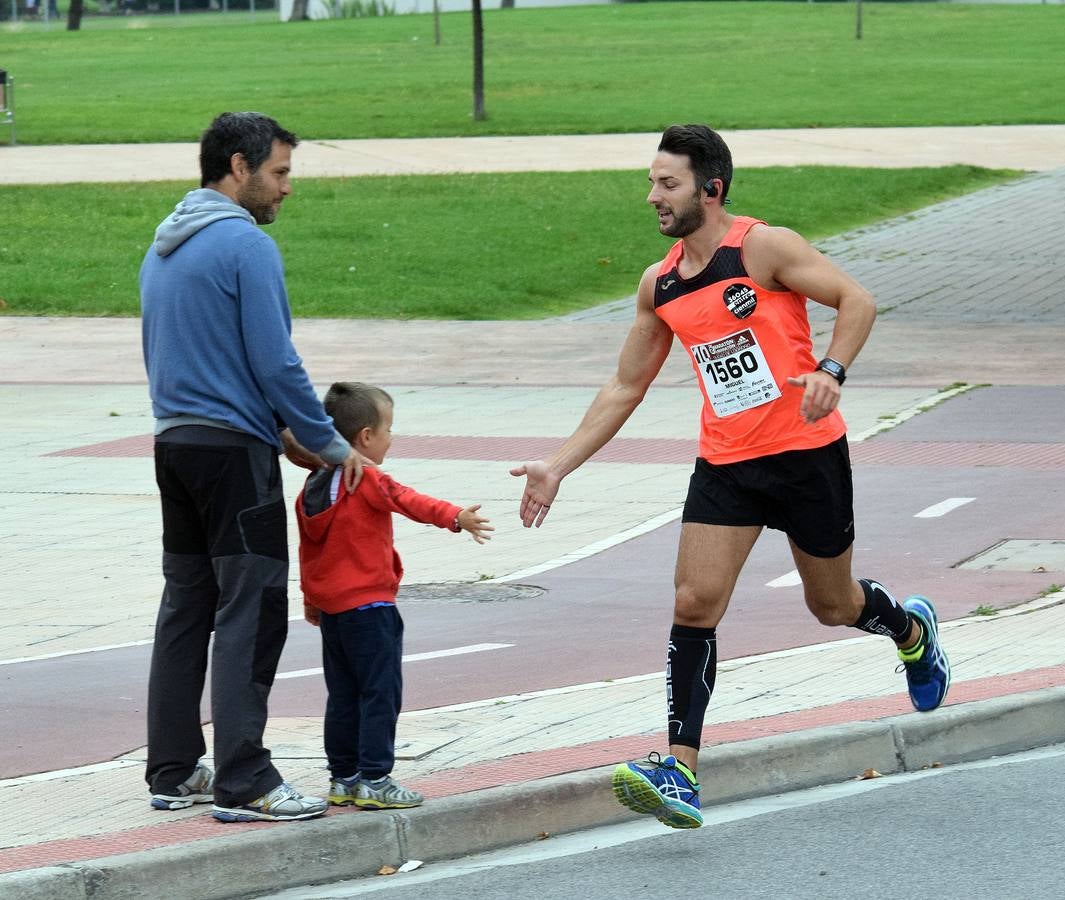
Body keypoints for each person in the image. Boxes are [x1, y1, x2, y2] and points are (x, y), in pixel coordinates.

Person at [511, 124, 950, 830]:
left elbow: (856, 301)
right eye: (652, 181)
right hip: (726, 464)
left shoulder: (763, 247)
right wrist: (557, 465)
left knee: (832, 606)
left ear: (709, 188)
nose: (652, 196)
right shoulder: (659, 284)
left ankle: (908, 630)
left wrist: (830, 372)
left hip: (806, 457)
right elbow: (625, 386)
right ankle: (679, 768)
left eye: (667, 183)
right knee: (693, 601)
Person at [140, 111, 364, 823]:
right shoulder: (244, 247)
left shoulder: (163, 246)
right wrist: (329, 443)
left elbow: (189, 355)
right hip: (234, 460)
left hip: (174, 447)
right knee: (251, 610)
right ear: (238, 167)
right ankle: (245, 779)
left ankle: (174, 769)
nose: (286, 188)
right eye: (279, 172)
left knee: (186, 606)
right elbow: (275, 362)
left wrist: (275, 427)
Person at [296, 382, 493, 810]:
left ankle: (343, 778)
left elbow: (309, 550)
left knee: (343, 694)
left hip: (334, 612)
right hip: (371, 608)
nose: (391, 438)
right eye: (388, 429)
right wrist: (455, 518)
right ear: (365, 436)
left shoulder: (313, 485)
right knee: (380, 693)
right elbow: (406, 500)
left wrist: (311, 598)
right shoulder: (366, 477)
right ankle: (376, 779)